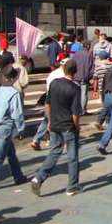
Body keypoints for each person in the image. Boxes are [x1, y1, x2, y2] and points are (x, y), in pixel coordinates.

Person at [31, 59, 83, 197]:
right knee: (72, 156)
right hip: (68, 125)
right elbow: (75, 112)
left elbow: (47, 104)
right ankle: (72, 186)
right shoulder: (75, 88)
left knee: (54, 152)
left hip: (54, 123)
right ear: (75, 71)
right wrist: (76, 127)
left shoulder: (54, 83)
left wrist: (49, 120)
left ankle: (39, 178)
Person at [31, 59, 68, 151]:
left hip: (49, 98)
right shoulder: (64, 75)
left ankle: (36, 140)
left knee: (46, 120)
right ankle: (63, 142)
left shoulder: (52, 74)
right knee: (64, 119)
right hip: (60, 99)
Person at [91, 50, 112, 130]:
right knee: (109, 106)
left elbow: (95, 79)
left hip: (102, 89)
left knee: (106, 105)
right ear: (107, 57)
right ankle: (104, 121)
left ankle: (105, 121)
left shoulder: (97, 67)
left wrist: (95, 90)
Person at [71, 41, 94, 116]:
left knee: (76, 94)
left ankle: (75, 110)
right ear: (88, 46)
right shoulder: (89, 55)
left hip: (75, 76)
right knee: (83, 94)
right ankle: (83, 110)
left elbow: (72, 64)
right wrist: (91, 76)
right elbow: (92, 67)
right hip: (84, 77)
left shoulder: (76, 54)